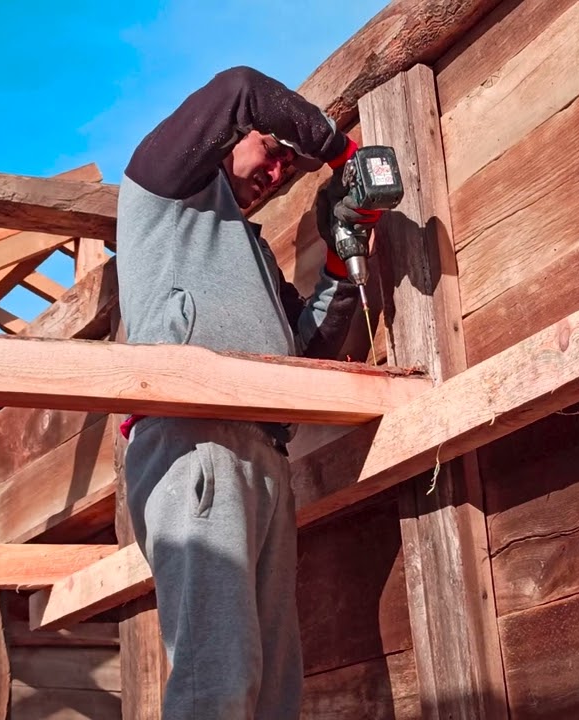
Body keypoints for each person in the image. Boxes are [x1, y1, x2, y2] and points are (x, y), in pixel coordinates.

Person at [114, 65, 377, 719]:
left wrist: (346, 243)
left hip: (264, 456)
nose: (279, 170)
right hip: (192, 438)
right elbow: (239, 89)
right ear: (231, 139)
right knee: (218, 680)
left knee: (273, 693)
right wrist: (340, 152)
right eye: (273, 149)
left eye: (290, 166)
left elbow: (312, 350)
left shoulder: (252, 257)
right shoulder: (162, 192)